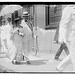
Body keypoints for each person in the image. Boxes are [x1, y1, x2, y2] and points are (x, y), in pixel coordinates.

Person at [56, 5, 75, 72]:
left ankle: (60, 67)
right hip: (71, 37)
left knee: (73, 55)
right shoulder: (69, 9)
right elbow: (63, 24)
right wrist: (61, 37)